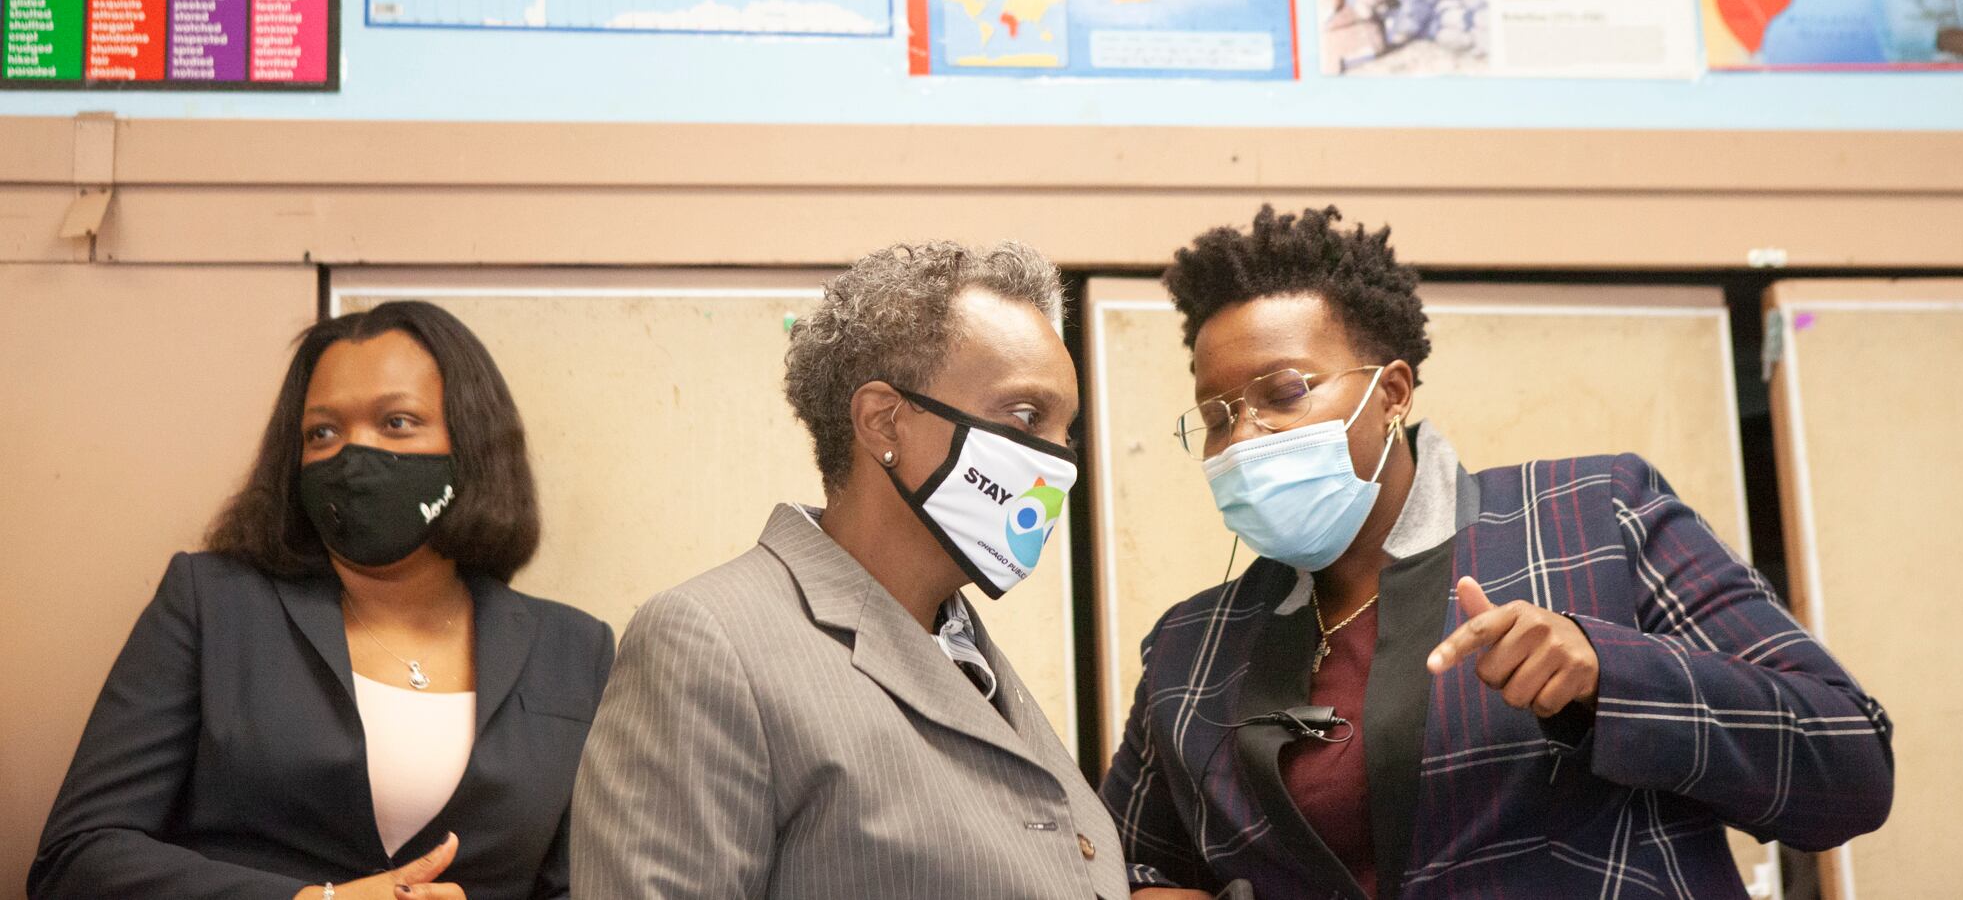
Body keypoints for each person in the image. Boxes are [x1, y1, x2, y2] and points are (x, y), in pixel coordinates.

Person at [1101, 206, 1893, 899]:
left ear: (1393, 392)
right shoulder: (1193, 648)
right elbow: (1128, 864)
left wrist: (1606, 672)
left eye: (1284, 393)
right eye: (1217, 414)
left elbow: (1850, 762)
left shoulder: (1591, 517)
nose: (1244, 437)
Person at [573, 241, 1129, 899]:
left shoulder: (964, 654)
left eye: (1066, 429)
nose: (1058, 460)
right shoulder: (712, 641)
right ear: (882, 420)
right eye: (1027, 416)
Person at [31, 301, 615, 900]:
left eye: (396, 422)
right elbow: (78, 857)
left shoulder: (576, 650)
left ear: (472, 445)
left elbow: (581, 885)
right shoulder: (214, 605)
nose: (352, 457)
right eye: (323, 432)